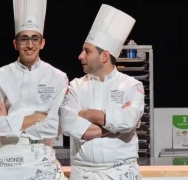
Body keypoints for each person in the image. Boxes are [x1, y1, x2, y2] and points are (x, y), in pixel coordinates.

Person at [0, 0, 68, 179]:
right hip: (8, 162)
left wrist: (10, 121)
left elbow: (52, 128)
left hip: (43, 160)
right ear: (15, 43)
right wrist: (37, 117)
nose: (30, 45)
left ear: (42, 42)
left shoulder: (58, 77)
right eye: (24, 39)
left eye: (34, 38)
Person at [59, 4, 144, 180]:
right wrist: (117, 128)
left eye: (87, 51)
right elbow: (68, 125)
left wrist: (88, 113)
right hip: (84, 174)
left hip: (122, 173)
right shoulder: (75, 87)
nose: (80, 56)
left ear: (104, 56)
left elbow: (129, 120)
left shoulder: (132, 86)